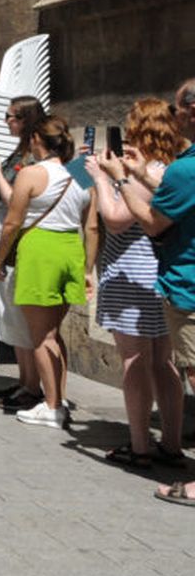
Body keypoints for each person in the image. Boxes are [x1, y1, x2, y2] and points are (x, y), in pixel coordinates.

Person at [97, 79, 195, 503]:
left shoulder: (183, 167)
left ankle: (142, 447)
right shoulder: (176, 166)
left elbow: (131, 220)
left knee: (140, 361)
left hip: (162, 279)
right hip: (164, 278)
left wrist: (110, 179)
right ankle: (170, 446)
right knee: (166, 364)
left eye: (179, 110)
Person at [0, 116, 90, 429]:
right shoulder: (80, 174)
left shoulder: (32, 173)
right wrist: (88, 266)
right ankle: (57, 399)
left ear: (36, 140)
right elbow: (91, 224)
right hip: (70, 249)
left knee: (40, 336)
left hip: (40, 252)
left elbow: (12, 221)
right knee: (54, 334)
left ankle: (50, 406)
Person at [0, 95, 48, 410]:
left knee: (20, 315)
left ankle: (35, 386)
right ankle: (24, 381)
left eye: (12, 116)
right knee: (8, 313)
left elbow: (13, 197)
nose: (6, 121)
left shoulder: (34, 157)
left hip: (17, 240)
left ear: (27, 119)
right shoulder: (19, 152)